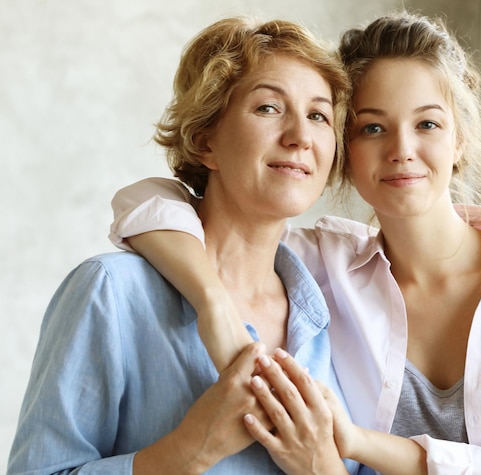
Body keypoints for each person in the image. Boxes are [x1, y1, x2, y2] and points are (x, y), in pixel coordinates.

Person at [104, 11, 481, 475]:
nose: (402, 150)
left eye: (427, 123)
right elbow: (149, 201)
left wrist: (353, 442)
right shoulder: (317, 264)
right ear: (344, 149)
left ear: (460, 140)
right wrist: (212, 304)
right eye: (373, 127)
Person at [8, 16, 361, 475]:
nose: (300, 137)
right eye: (269, 108)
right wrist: (190, 450)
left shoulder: (341, 310)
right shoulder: (110, 294)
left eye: (318, 115)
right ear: (203, 141)